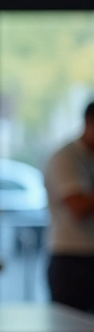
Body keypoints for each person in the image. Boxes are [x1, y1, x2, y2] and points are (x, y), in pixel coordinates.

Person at [45, 102, 94, 312]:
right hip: (71, 257)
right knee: (68, 328)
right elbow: (78, 207)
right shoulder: (65, 158)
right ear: (89, 122)